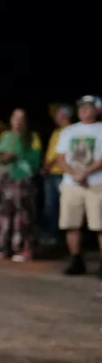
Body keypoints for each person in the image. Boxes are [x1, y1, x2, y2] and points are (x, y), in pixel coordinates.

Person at [55, 95, 102, 277]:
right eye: (81, 107)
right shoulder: (68, 131)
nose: (83, 110)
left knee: (99, 225)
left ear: (97, 110)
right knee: (71, 224)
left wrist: (86, 172)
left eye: (88, 107)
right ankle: (76, 260)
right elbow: (60, 157)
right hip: (71, 184)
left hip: (97, 184)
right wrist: (73, 173)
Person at [0, 108, 42, 262]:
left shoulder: (32, 137)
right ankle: (3, 246)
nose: (17, 121)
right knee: (4, 213)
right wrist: (1, 159)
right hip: (6, 180)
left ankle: (23, 248)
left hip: (23, 180)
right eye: (15, 117)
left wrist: (17, 156)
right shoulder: (5, 136)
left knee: (23, 215)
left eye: (21, 118)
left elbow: (35, 159)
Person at [41, 104, 73, 246]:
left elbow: (61, 153)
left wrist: (48, 165)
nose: (55, 117)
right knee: (50, 206)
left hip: (61, 173)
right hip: (51, 173)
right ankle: (51, 234)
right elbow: (50, 152)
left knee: (62, 206)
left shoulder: (70, 130)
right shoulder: (56, 131)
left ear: (64, 115)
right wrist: (45, 165)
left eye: (57, 114)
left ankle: (62, 236)